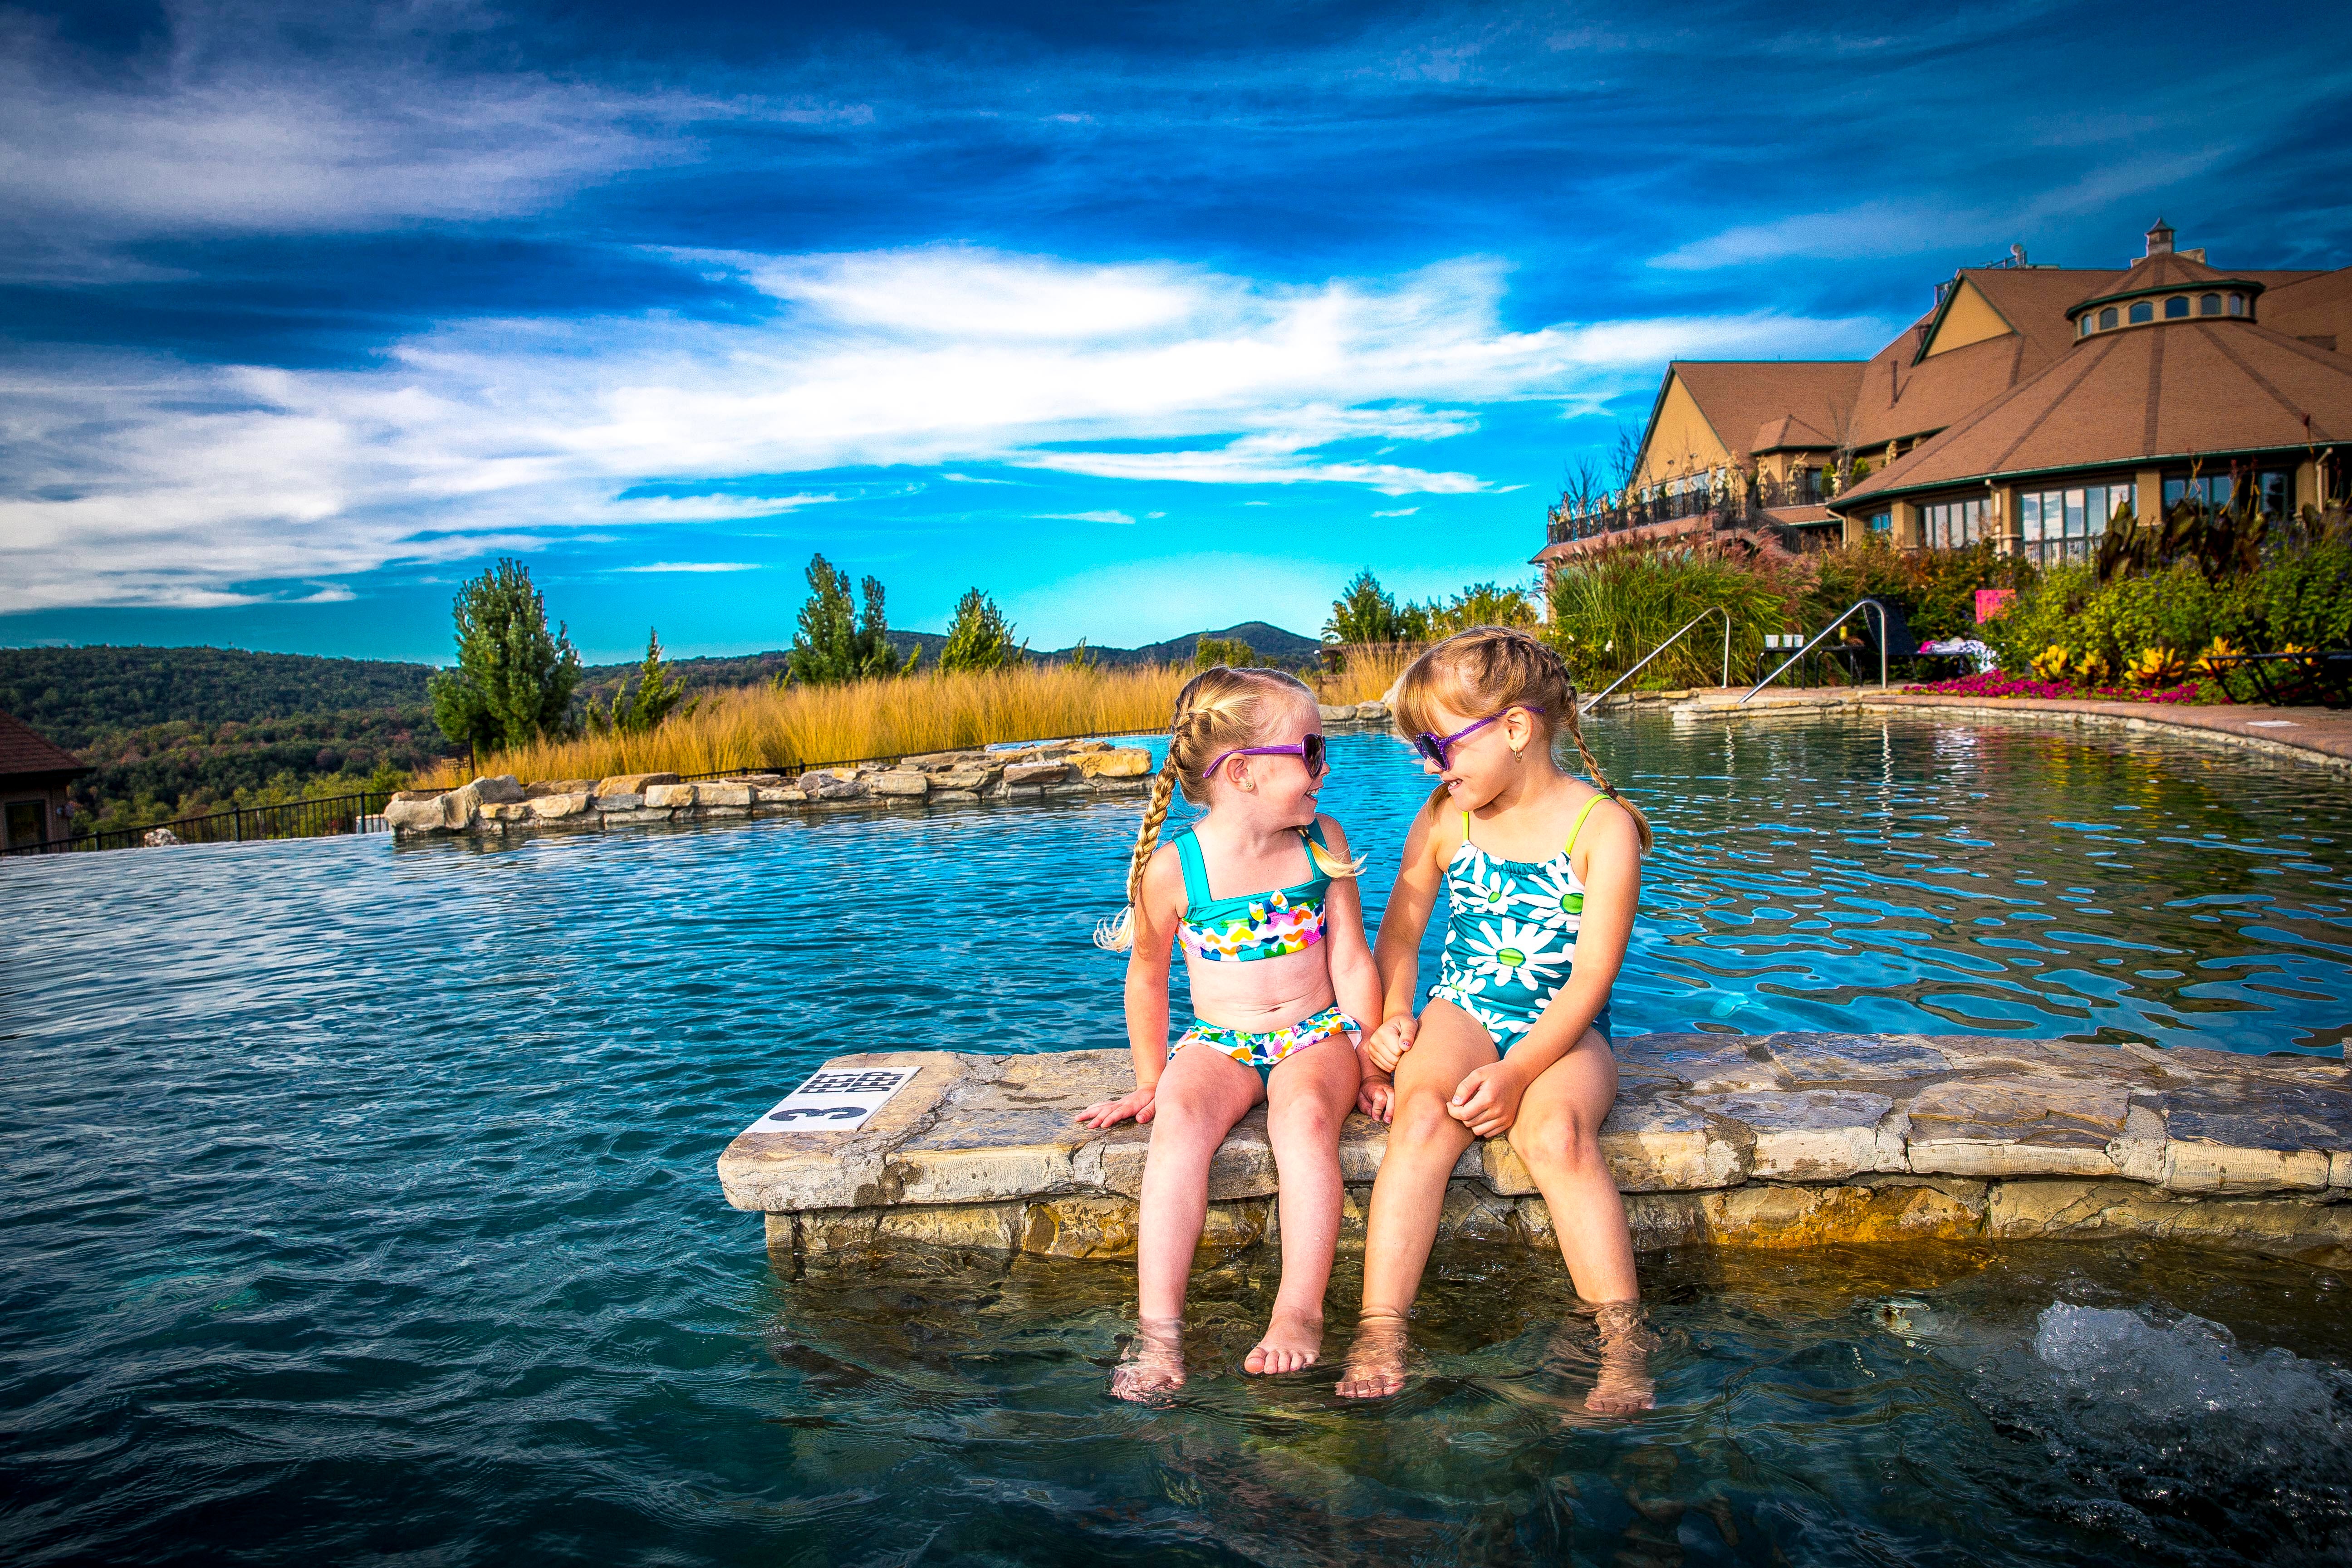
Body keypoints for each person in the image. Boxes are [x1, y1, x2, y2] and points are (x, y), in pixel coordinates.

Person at [1334, 627, 1657, 1411]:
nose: (1427, 764)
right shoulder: (1448, 816)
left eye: (1437, 745)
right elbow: (1403, 933)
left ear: (1515, 729)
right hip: (1466, 1007)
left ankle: (1623, 1349)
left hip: (1567, 1025)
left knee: (1557, 1136)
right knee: (1420, 1118)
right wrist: (1394, 1018)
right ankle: (1381, 1328)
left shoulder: (1601, 827)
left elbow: (1590, 980)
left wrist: (1518, 1073)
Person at [1078, 665, 1384, 1399]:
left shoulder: (1321, 841)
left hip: (1316, 1033)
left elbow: (1350, 955)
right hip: (1221, 1039)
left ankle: (1298, 1311)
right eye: (1310, 752)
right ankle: (1160, 1336)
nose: (1324, 767)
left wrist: (1373, 1062)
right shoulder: (1175, 868)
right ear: (1243, 772)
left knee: (1304, 1120)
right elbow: (1147, 979)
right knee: (1179, 1125)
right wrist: (1152, 1082)